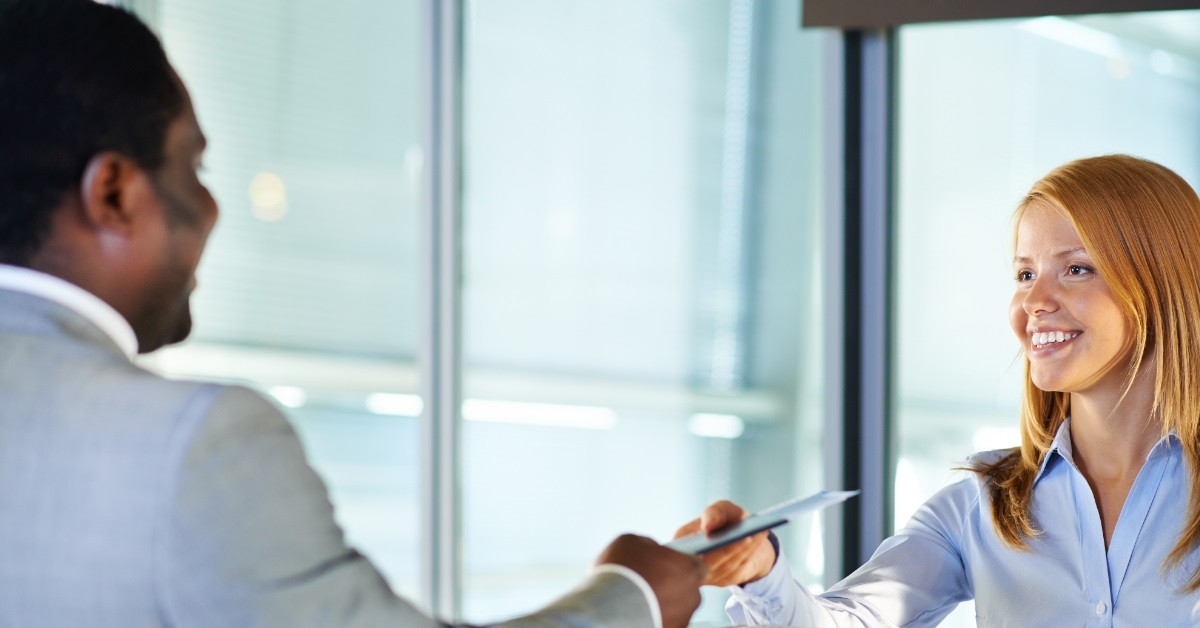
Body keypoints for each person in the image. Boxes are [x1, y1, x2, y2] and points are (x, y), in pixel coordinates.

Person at [0, 1, 706, 626]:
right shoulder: (192, 446)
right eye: (195, 168)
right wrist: (633, 598)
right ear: (114, 193)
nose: (211, 208)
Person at [677, 154, 1200, 625]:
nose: (1034, 301)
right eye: (1024, 274)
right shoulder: (984, 504)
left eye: (1076, 269)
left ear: (1162, 284)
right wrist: (760, 572)